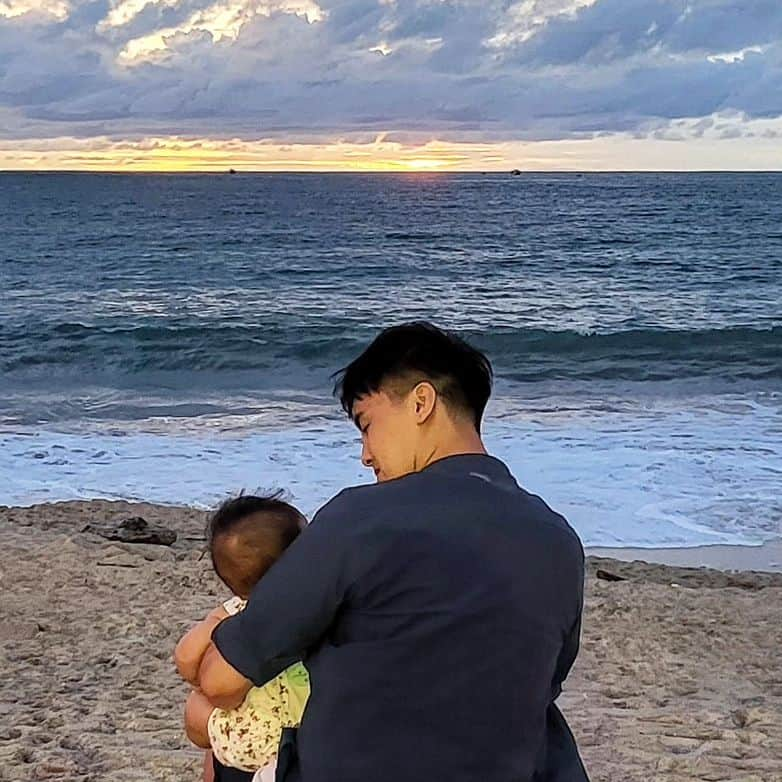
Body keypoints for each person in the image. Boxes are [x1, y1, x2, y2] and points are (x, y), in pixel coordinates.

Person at [199, 322, 589, 782]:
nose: (365, 454)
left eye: (367, 426)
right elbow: (545, 681)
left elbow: (222, 678)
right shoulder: (559, 540)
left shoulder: (359, 519)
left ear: (421, 403)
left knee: (225, 741)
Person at [174, 493, 311, 782]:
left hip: (244, 737)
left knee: (213, 749)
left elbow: (185, 658)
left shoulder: (236, 613)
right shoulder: (312, 607)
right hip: (298, 735)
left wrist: (214, 624)